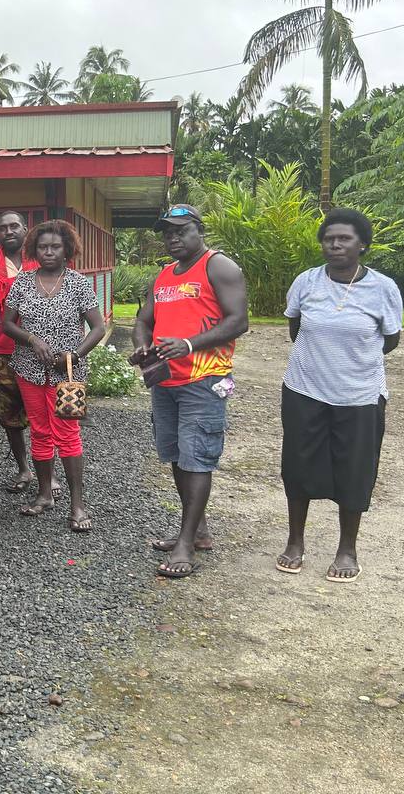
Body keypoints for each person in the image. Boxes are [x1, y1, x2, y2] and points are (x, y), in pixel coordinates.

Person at [276, 208, 402, 583]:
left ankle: (347, 548)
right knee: (297, 466)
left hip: (360, 395)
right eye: (329, 238)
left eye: (344, 238)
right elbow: (296, 328)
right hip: (304, 390)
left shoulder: (383, 288)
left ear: (362, 244)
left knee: (355, 470)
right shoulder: (307, 282)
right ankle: (295, 542)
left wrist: (351, 364)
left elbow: (390, 340)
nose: (335, 244)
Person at [131, 204, 248, 579]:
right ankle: (196, 531)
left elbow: (238, 321)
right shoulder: (164, 275)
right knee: (178, 456)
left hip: (204, 379)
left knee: (197, 457)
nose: (173, 238)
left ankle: (185, 543)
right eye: (167, 233)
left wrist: (190, 344)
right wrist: (141, 345)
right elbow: (143, 320)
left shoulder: (219, 266)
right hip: (165, 381)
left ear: (200, 230)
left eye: (181, 231)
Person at [2, 220, 107, 532]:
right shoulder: (22, 282)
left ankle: (77, 504)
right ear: (34, 250)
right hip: (29, 370)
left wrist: (73, 356)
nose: (48, 252)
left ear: (67, 250)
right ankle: (45, 493)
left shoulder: (78, 283)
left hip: (69, 373)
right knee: (40, 431)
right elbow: (8, 324)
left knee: (68, 434)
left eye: (55, 247)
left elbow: (98, 327)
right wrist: (33, 340)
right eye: (43, 247)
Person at [0, 211, 39, 492]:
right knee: (10, 417)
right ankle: (24, 468)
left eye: (14, 226)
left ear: (25, 229)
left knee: (43, 414)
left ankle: (48, 473)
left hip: (38, 353)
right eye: (2, 228)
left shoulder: (42, 262)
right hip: (1, 353)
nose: (9, 231)